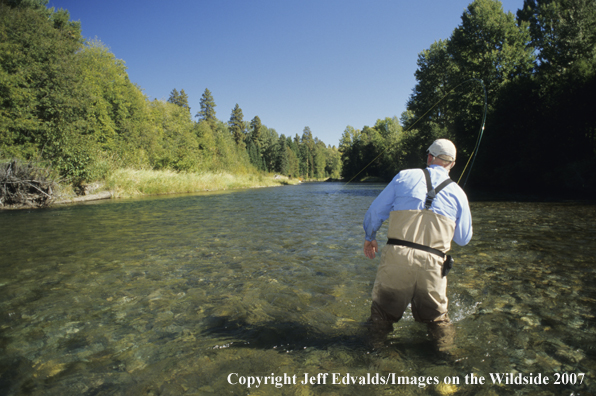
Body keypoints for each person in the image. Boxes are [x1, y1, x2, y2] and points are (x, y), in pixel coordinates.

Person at [362, 138, 472, 352]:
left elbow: (375, 212)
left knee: (381, 317)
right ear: (452, 164)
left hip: (397, 256)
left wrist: (370, 236)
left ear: (429, 157)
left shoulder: (404, 176)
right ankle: (447, 364)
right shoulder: (459, 193)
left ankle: (373, 358)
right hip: (433, 264)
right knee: (438, 321)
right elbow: (463, 239)